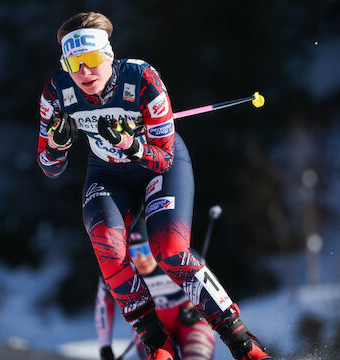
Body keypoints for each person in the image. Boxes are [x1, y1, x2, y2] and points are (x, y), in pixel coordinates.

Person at [36, 11, 272, 360]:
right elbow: (49, 167)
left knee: (170, 249)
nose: (84, 72)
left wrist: (132, 145)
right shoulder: (57, 92)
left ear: (108, 55)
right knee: (105, 239)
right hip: (108, 173)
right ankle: (157, 343)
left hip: (159, 165)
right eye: (74, 62)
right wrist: (57, 144)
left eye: (90, 59)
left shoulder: (143, 78)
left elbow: (163, 158)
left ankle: (242, 343)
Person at [95, 223, 216, 360]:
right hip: (150, 322)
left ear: (156, 246)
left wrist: (199, 307)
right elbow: (103, 304)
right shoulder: (120, 271)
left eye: (146, 249)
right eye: (133, 252)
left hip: (188, 319)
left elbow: (212, 288)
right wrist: (105, 346)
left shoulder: (176, 257)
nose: (142, 258)